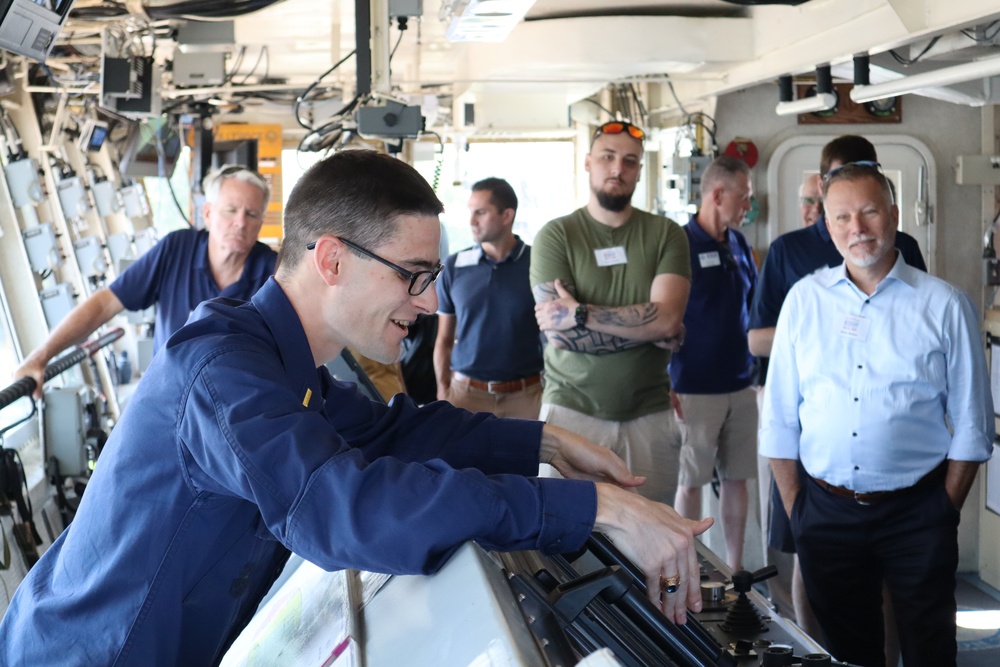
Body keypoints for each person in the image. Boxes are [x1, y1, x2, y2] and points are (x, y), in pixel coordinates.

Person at [0, 150, 713, 666]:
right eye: (415, 275)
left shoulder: (283, 360)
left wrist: (546, 443)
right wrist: (596, 510)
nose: (432, 301)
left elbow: (391, 431)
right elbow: (345, 506)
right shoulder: (225, 369)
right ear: (333, 259)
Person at [760, 162, 993, 667]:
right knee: (849, 653)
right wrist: (800, 510)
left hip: (918, 512)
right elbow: (778, 419)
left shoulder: (944, 304)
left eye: (868, 212)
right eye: (841, 217)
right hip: (826, 512)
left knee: (930, 648)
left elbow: (974, 425)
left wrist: (942, 511)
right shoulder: (805, 300)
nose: (857, 229)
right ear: (826, 223)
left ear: (894, 214)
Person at [748, 135, 927, 637]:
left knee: (890, 578)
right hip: (812, 431)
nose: (857, 224)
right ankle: (812, 649)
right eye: (841, 203)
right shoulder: (789, 251)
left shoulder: (904, 248)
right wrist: (817, 328)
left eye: (868, 198)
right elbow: (756, 339)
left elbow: (917, 324)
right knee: (810, 554)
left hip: (886, 435)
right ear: (825, 190)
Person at [531, 120, 690, 505]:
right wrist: (647, 329)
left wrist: (581, 313)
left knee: (656, 541)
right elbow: (558, 333)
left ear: (639, 170)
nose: (618, 169)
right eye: (607, 157)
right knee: (567, 543)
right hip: (571, 415)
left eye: (630, 161)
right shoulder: (556, 235)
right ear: (588, 162)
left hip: (649, 417)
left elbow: (667, 320)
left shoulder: (666, 234)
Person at [15, 165, 276, 394]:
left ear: (261, 221)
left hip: (234, 406)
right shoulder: (177, 248)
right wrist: (41, 356)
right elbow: (106, 303)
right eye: (230, 210)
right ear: (207, 214)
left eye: (252, 214)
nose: (240, 222)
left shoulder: (273, 269)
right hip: (166, 399)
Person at [669, 156, 758, 572]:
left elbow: (751, 308)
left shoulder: (739, 244)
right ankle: (691, 565)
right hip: (693, 385)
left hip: (740, 383)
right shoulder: (680, 245)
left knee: (738, 478)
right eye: (743, 198)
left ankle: (734, 567)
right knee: (692, 481)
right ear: (718, 195)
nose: (747, 207)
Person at [434, 177, 543, 419]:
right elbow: (443, 340)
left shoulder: (538, 264)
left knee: (524, 458)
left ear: (507, 216)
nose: (472, 221)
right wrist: (443, 393)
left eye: (481, 213)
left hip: (526, 398)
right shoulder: (454, 266)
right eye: (471, 212)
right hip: (465, 396)